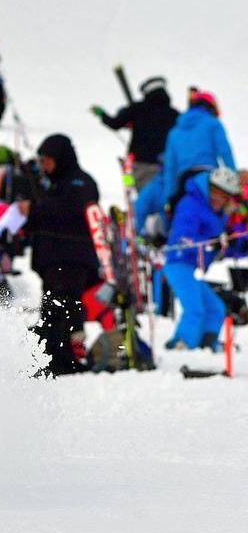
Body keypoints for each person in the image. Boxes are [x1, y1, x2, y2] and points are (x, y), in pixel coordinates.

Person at [17, 135, 103, 376]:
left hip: (72, 260)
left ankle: (64, 360)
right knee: (52, 309)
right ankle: (53, 357)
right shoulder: (54, 185)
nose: (45, 166)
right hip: (53, 261)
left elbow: (71, 209)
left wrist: (35, 209)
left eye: (48, 161)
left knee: (64, 309)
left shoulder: (80, 182)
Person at [136, 89, 236, 237]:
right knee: (215, 218)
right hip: (208, 178)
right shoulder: (213, 123)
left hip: (184, 181)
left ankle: (165, 237)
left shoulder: (175, 132)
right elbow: (225, 153)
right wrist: (234, 183)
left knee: (185, 220)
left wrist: (171, 197)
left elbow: (170, 168)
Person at [163, 166, 241, 351]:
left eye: (224, 195)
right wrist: (212, 243)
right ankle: (182, 344)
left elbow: (220, 245)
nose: (218, 198)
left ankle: (207, 344)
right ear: (208, 187)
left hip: (194, 268)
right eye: (215, 191)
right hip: (179, 263)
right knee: (195, 308)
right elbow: (183, 238)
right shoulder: (190, 204)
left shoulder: (219, 214)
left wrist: (236, 245)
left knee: (215, 308)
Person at [92, 76, 178, 190]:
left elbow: (115, 123)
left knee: (134, 187)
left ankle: (131, 192)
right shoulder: (174, 114)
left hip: (136, 163)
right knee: (159, 193)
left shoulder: (137, 109)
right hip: (164, 164)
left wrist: (101, 113)